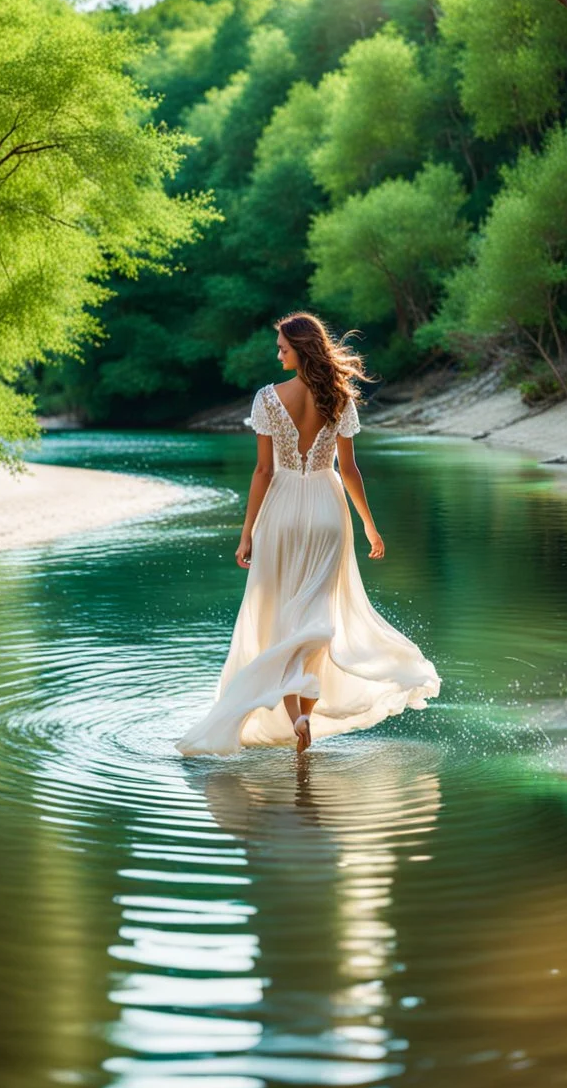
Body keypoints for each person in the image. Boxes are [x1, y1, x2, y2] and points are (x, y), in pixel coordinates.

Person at [175, 311, 440, 758]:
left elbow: (262, 471)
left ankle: (295, 710)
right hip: (326, 510)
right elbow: (350, 470)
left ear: (301, 348)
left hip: (280, 511)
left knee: (281, 619)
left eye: (283, 346)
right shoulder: (340, 398)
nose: (278, 353)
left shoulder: (266, 398)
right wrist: (369, 527)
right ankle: (306, 713)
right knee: (318, 619)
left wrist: (247, 533)